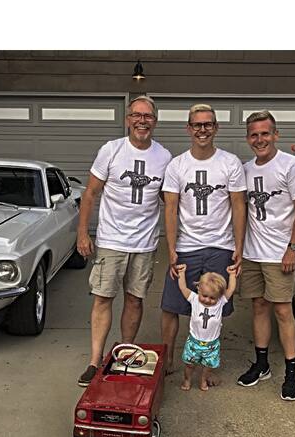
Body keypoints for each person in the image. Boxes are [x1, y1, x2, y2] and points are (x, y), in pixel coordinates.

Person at [76, 95, 172, 387]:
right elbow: (90, 193)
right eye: (136, 115)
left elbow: (169, 201)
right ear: (128, 119)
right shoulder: (111, 150)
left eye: (148, 116)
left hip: (144, 243)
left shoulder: (164, 157)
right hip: (111, 240)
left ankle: (123, 353)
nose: (142, 121)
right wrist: (83, 233)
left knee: (135, 298)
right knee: (104, 297)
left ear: (155, 121)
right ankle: (95, 360)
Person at [160, 103, 247, 377]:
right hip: (187, 247)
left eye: (208, 124)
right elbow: (171, 208)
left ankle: (207, 361)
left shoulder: (230, 162)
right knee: (171, 305)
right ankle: (169, 358)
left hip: (220, 246)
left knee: (215, 307)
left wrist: (239, 247)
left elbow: (238, 205)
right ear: (188, 128)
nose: (202, 130)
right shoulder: (177, 165)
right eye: (197, 125)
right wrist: (172, 249)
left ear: (216, 128)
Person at [236, 110, 295, 401]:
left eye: (265, 133)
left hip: (280, 253)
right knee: (258, 306)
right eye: (254, 135)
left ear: (275, 135)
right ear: (248, 139)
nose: (260, 139)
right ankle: (262, 363)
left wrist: (293, 247)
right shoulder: (246, 169)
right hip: (254, 252)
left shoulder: (291, 165)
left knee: (282, 310)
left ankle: (291, 372)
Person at [175, 263, 237, 391]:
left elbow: (230, 289)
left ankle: (203, 380)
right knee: (189, 364)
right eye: (205, 296)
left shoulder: (220, 303)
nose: (208, 300)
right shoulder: (194, 299)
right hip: (194, 341)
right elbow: (182, 288)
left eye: (212, 298)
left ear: (219, 296)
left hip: (212, 344)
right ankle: (187, 380)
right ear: (199, 290)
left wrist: (232, 275)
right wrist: (181, 273)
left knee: (208, 365)